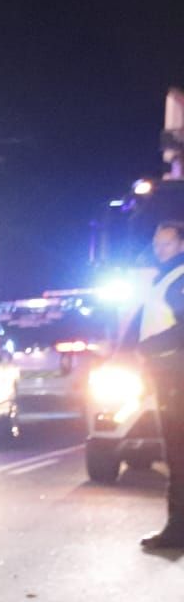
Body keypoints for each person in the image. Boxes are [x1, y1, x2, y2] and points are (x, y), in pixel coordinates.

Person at [135, 220, 184, 550]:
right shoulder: (165, 278)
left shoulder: (178, 279)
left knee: (178, 453)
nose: (160, 250)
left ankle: (177, 529)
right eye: (157, 244)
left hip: (176, 375)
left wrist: (147, 348)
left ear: (181, 245)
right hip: (168, 373)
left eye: (166, 244)